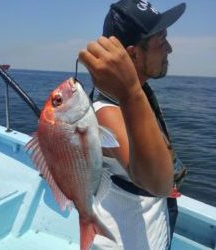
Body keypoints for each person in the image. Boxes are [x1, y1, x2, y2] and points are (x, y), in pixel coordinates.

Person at [79, 0, 187, 249]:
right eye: (161, 41)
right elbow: (158, 184)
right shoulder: (108, 109)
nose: (169, 49)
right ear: (133, 54)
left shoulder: (138, 93)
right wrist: (129, 91)